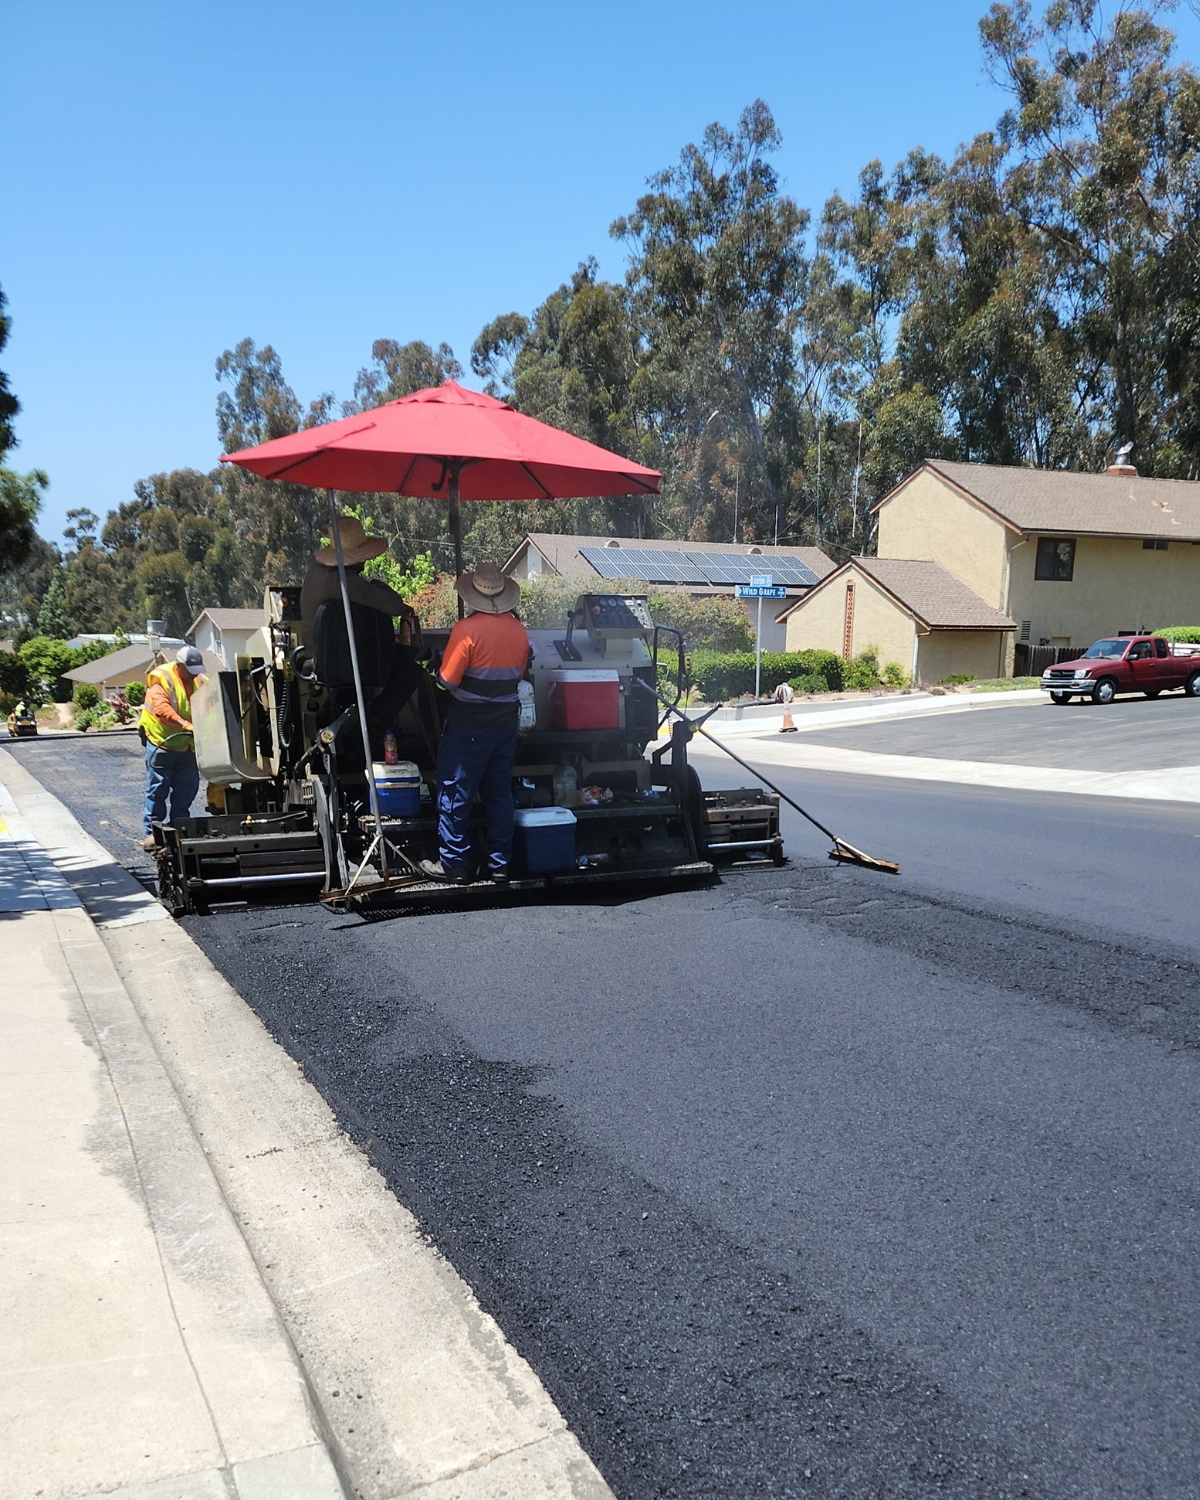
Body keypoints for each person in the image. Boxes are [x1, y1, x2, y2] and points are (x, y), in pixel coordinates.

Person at [420, 563, 529, 885]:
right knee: (499, 793)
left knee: (456, 792)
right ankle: (499, 865)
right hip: (505, 723)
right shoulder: (519, 630)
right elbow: (518, 674)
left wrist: (433, 667)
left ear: (472, 596)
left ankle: (454, 865)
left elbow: (447, 681)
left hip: (469, 725)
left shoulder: (466, 630)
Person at [139, 646, 207, 852]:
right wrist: (185, 724)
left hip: (187, 746)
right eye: (190, 670)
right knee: (158, 789)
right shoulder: (162, 679)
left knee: (186, 788)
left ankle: (179, 826)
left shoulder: (201, 680)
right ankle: (153, 832)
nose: (193, 675)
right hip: (162, 743)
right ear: (179, 665)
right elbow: (162, 709)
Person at [299, 516, 406, 645]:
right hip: (340, 655)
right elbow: (396, 606)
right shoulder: (347, 583)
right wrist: (377, 584)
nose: (364, 562)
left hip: (314, 653)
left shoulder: (316, 570)